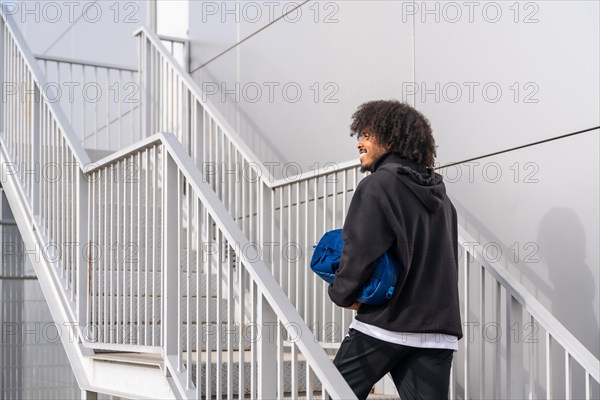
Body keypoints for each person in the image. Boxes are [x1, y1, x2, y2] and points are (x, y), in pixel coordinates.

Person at [328, 100, 463, 400]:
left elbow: (359, 252)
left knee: (335, 394)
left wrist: (341, 294)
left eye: (366, 134)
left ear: (389, 138)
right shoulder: (443, 199)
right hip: (437, 332)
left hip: (385, 326)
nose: (359, 143)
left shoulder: (378, 185)